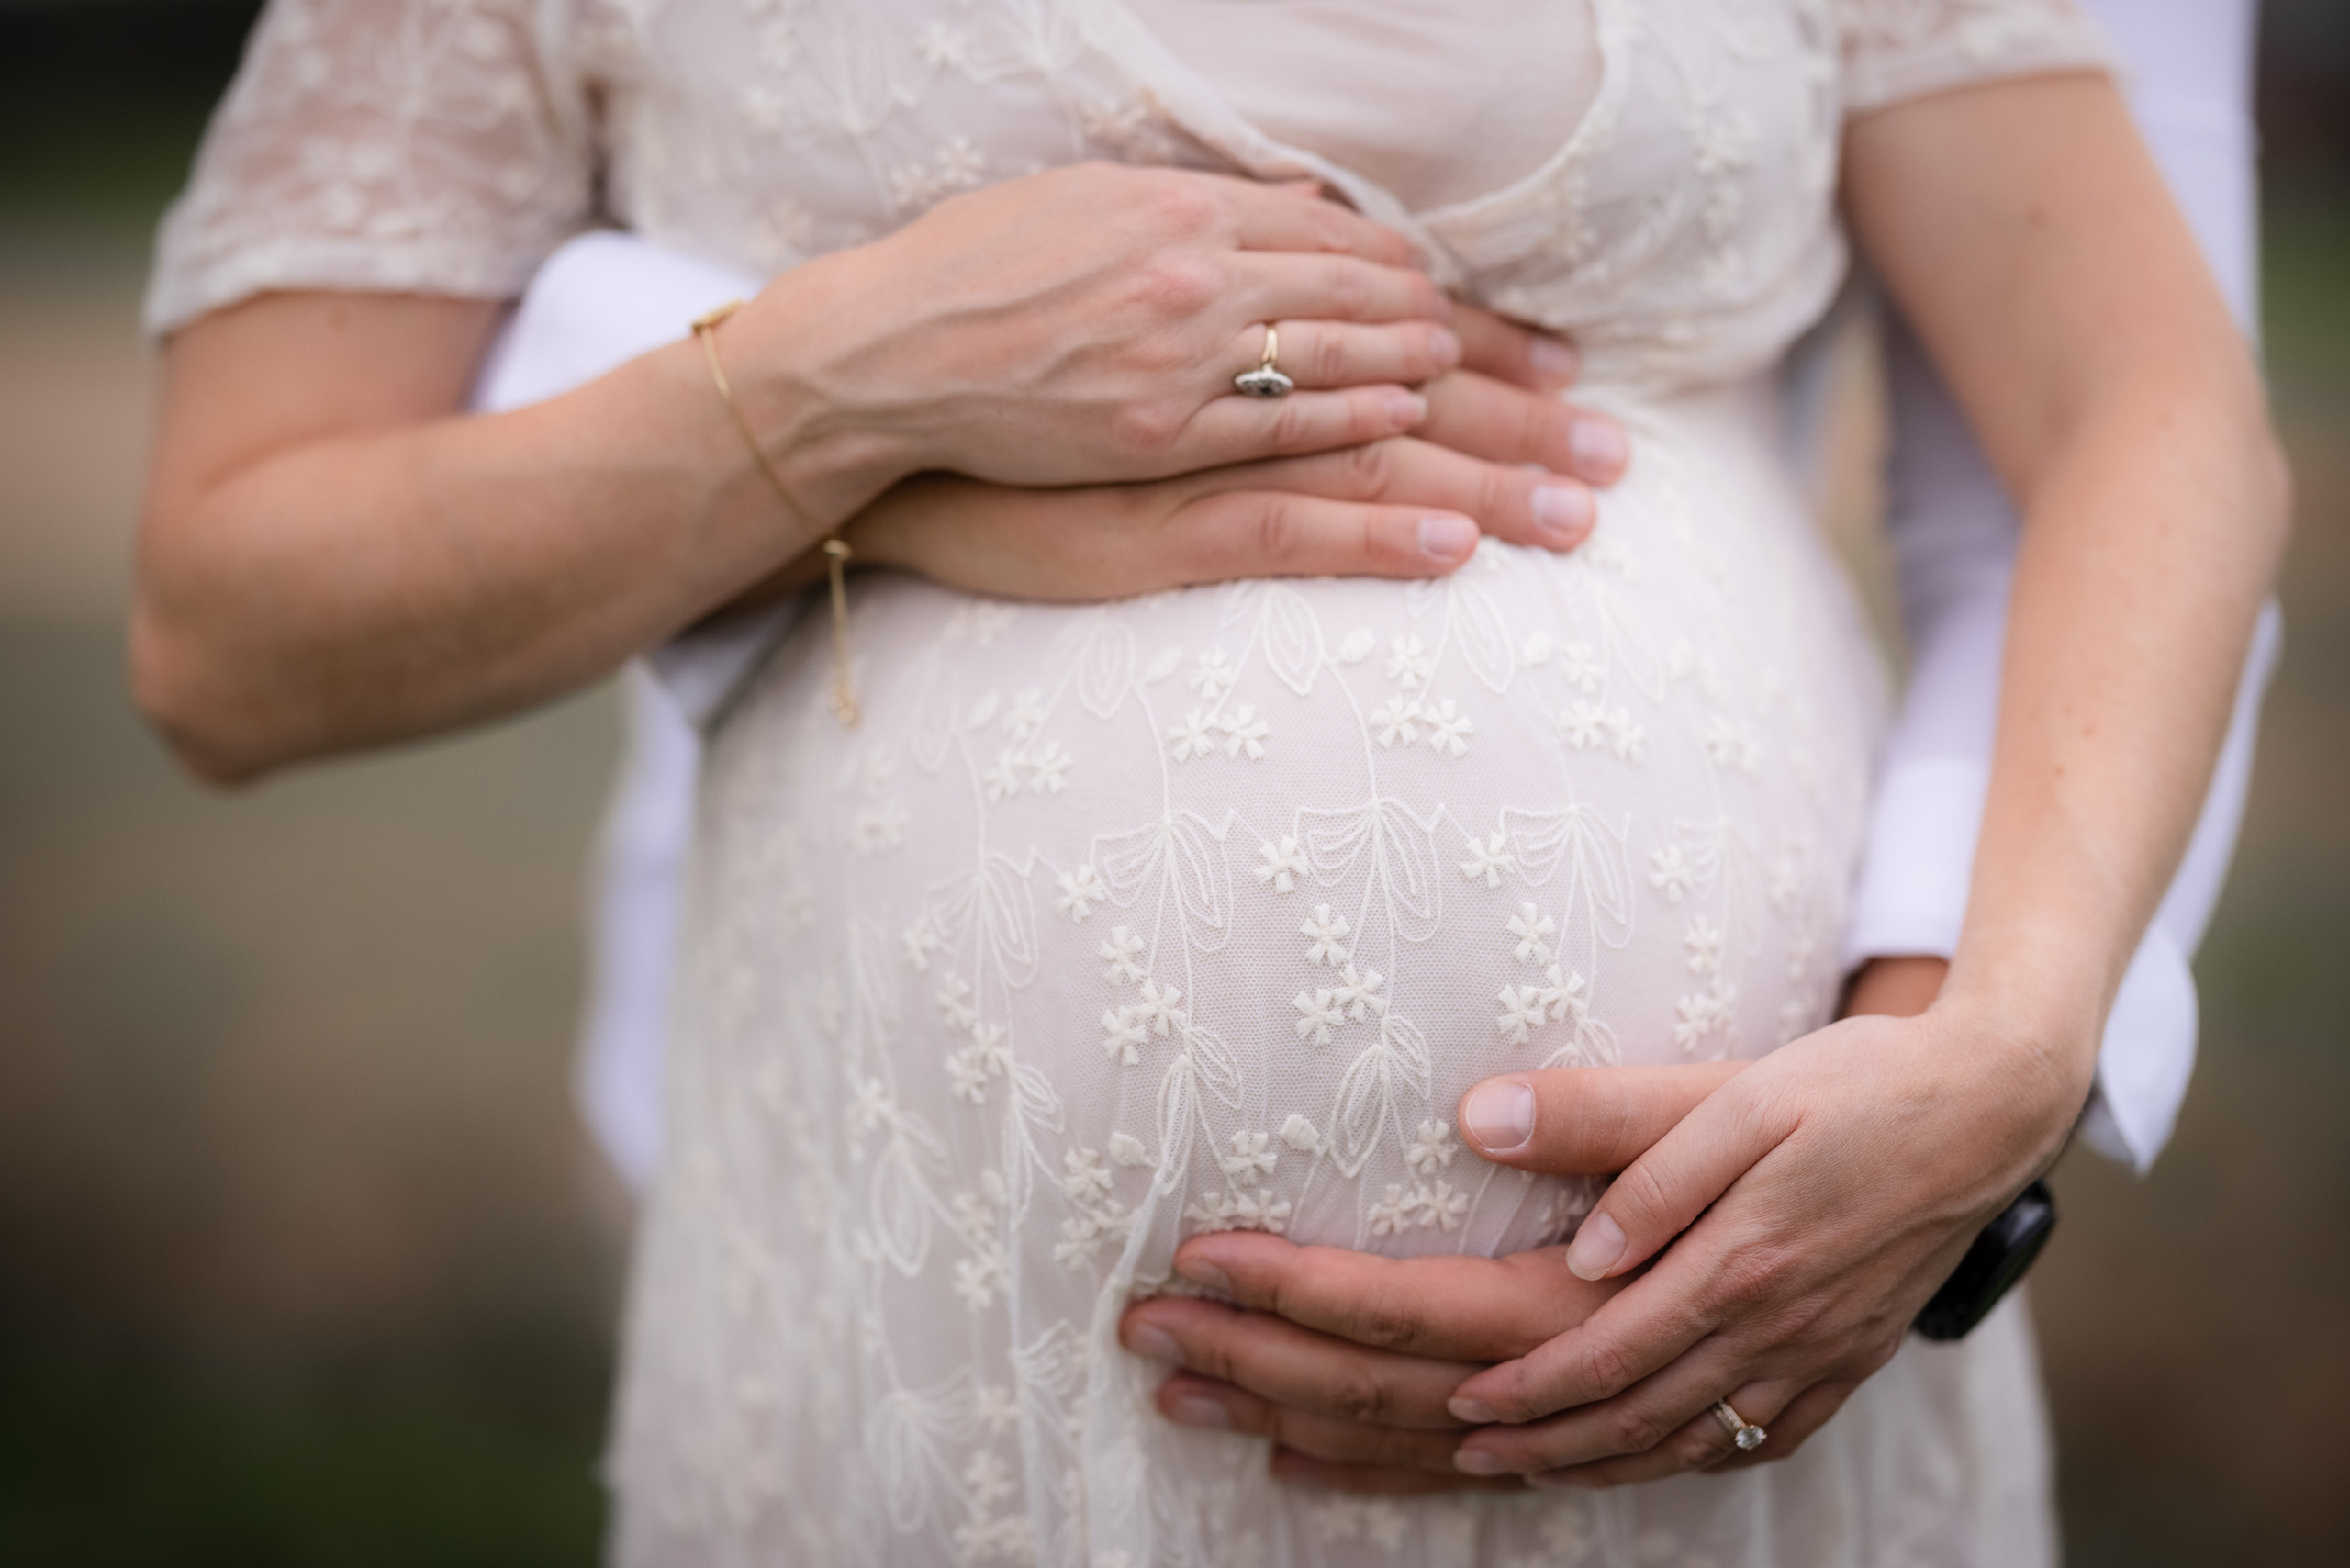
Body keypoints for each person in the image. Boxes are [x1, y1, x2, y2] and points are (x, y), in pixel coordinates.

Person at [134, 3, 2287, 1564]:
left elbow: (2140, 405)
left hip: (1758, 1357)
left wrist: (1989, 1048)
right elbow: (228, 625)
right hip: (970, 1363)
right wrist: (845, 384)